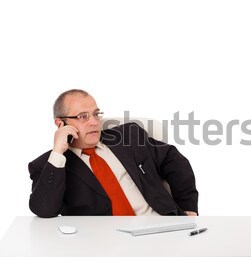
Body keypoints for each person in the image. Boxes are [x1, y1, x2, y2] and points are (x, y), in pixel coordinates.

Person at [28, 89, 198, 218]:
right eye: (83, 117)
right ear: (60, 123)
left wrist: (188, 208)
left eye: (96, 114)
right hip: (102, 244)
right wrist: (58, 152)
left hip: (160, 226)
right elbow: (44, 210)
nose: (94, 122)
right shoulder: (48, 165)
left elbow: (173, 160)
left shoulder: (128, 136)